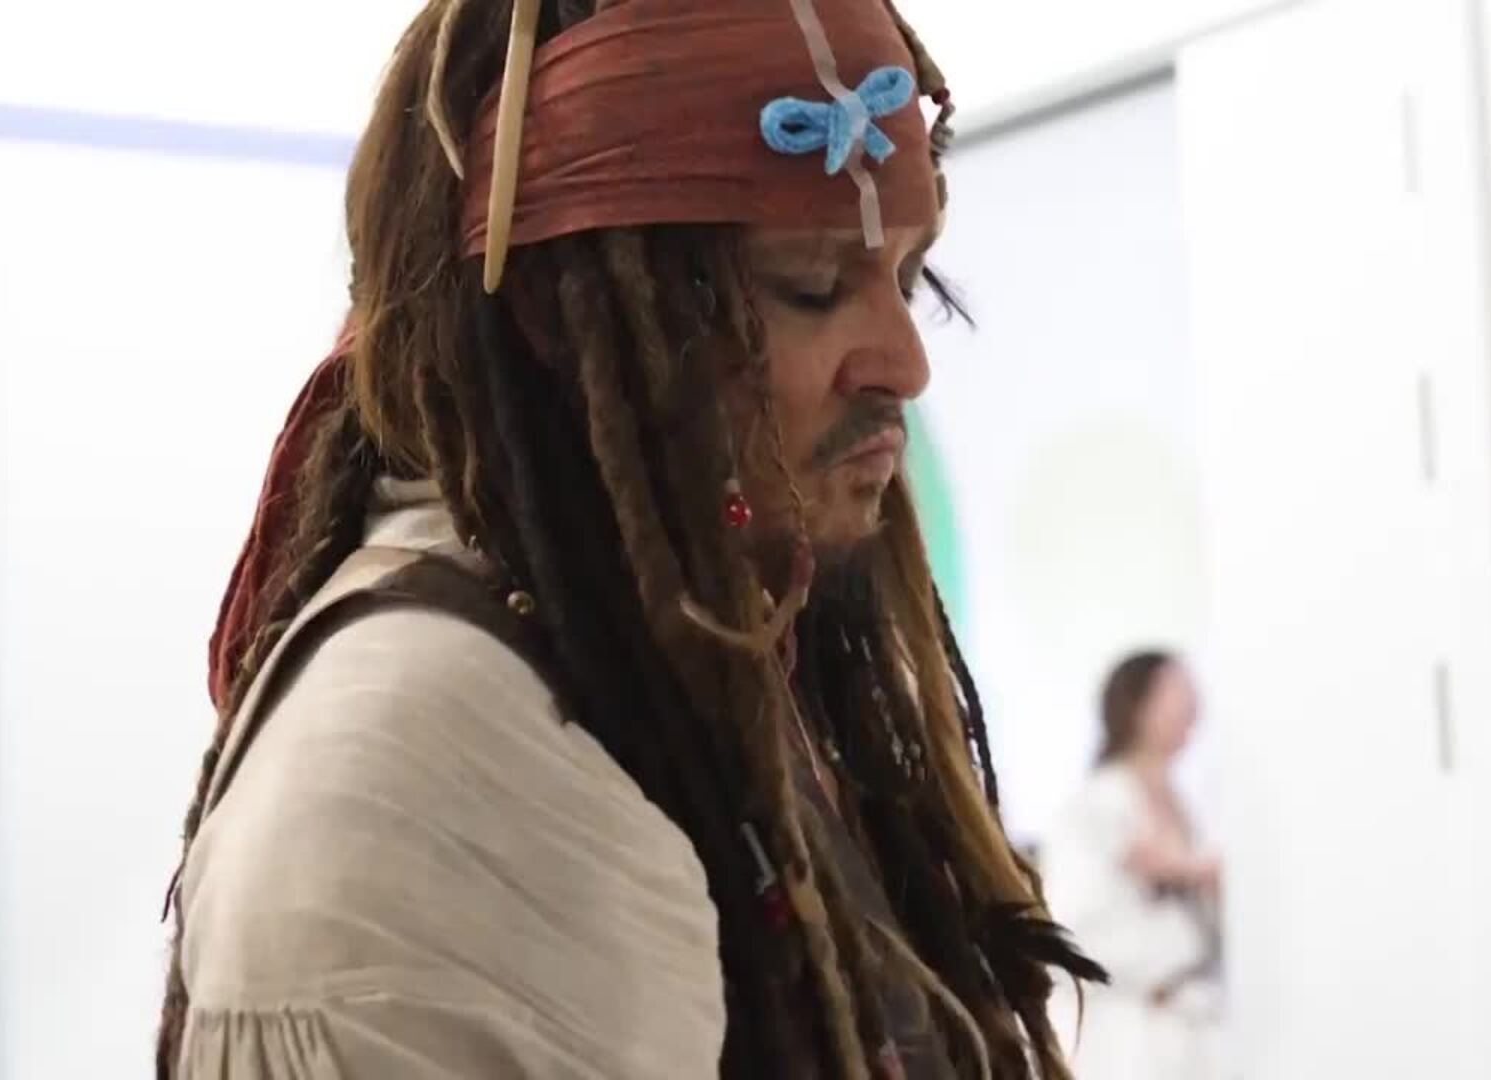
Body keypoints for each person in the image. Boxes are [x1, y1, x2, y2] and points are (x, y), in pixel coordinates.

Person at [154, 0, 1100, 1076]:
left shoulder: (696, 650)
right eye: (812, 287)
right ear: (560, 317)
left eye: (910, 278)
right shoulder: (417, 752)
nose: (905, 363)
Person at [1042, 651, 1225, 1078]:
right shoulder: (1093, 808)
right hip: (1126, 1041)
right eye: (1176, 689)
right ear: (1137, 705)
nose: (1192, 703)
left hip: (1189, 1033)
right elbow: (1071, 938)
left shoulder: (1185, 805)